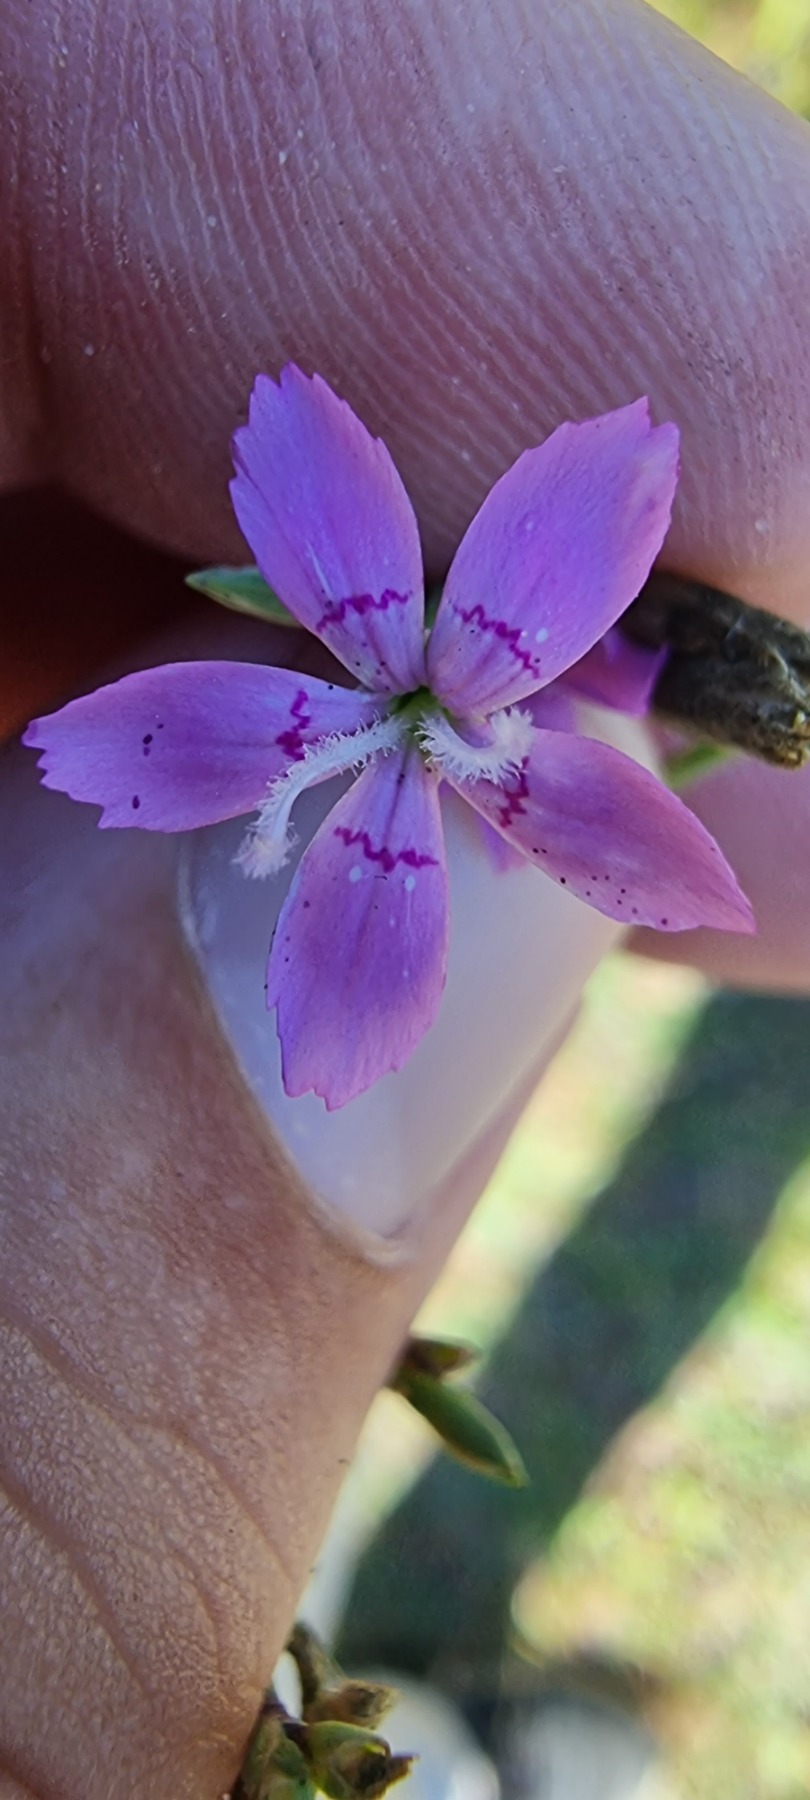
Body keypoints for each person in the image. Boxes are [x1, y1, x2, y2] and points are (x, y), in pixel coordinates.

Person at [1, 1, 809, 1793]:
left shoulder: (476, 736)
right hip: (379, 699)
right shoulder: (397, 712)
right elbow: (289, 452)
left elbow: (641, 795)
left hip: (396, 692)